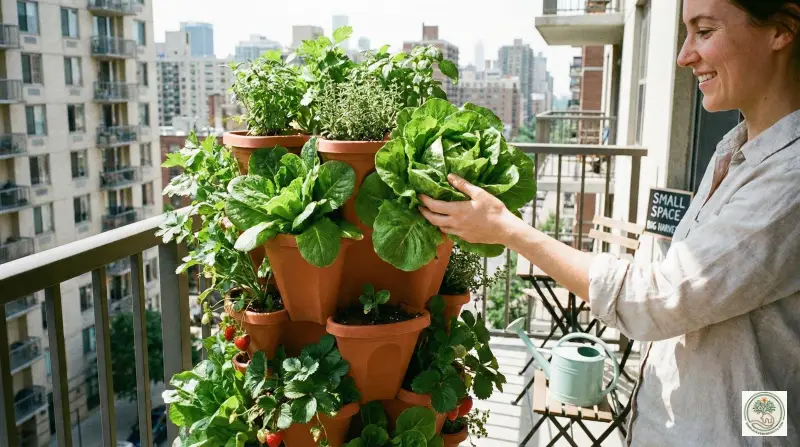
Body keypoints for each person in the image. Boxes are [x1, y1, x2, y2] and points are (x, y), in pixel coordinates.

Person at [419, 0, 800, 445]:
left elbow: (656, 300)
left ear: (781, 28)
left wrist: (508, 229)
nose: (683, 56)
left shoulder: (789, 179)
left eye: (705, 31)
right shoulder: (733, 150)